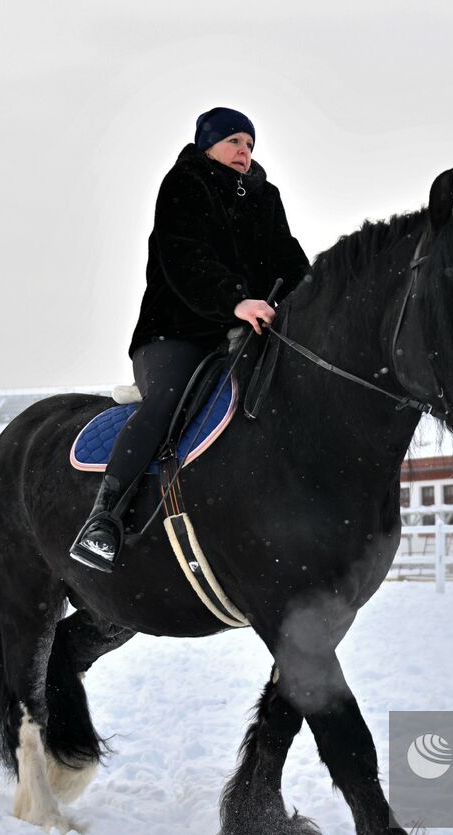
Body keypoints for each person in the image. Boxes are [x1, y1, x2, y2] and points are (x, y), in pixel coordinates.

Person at [70, 107, 310, 571]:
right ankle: (104, 521)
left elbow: (289, 261)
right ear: (208, 144)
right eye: (234, 142)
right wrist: (236, 301)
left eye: (250, 145)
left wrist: (315, 299)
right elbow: (185, 260)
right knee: (167, 401)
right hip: (176, 333)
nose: (244, 152)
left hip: (247, 333)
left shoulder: (265, 197)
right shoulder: (184, 184)